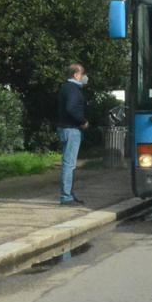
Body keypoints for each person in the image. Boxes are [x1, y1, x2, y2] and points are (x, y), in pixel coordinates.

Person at [57, 64, 90, 205]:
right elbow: (71, 108)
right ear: (76, 74)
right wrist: (83, 121)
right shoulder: (73, 90)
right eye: (83, 74)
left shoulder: (65, 88)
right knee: (69, 164)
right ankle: (66, 197)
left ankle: (69, 193)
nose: (84, 77)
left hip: (64, 128)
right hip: (71, 129)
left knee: (68, 163)